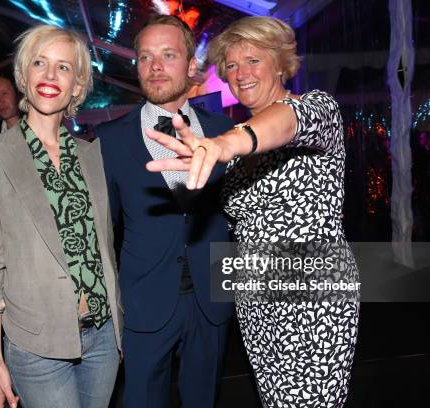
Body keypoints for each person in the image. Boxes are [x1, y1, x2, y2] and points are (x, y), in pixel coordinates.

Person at [146, 16, 359, 408]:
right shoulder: (240, 153)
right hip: (256, 301)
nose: (240, 73)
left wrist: (226, 143)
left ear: (280, 63)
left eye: (253, 60)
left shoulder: (315, 110)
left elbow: (287, 123)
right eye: (230, 64)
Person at [0, 25, 123, 408]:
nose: (50, 76)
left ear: (77, 85)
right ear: (24, 74)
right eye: (40, 63)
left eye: (64, 67)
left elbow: (105, 247)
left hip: (102, 337)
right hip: (36, 344)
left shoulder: (92, 155)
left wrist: (119, 328)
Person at [95, 15, 234, 408]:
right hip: (144, 302)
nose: (154, 67)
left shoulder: (226, 131)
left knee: (203, 399)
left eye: (168, 55)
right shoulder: (109, 141)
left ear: (191, 66)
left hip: (212, 299)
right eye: (144, 57)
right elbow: (104, 231)